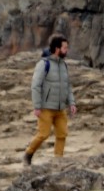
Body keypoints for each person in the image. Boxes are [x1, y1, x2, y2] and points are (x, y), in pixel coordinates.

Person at [24, 34, 76, 166]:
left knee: (62, 134)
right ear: (57, 48)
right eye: (65, 47)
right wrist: (37, 106)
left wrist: (72, 103)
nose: (67, 50)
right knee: (43, 134)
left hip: (60, 109)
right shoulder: (44, 64)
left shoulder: (64, 65)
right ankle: (28, 154)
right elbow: (35, 85)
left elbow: (67, 86)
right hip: (45, 107)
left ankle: (58, 160)